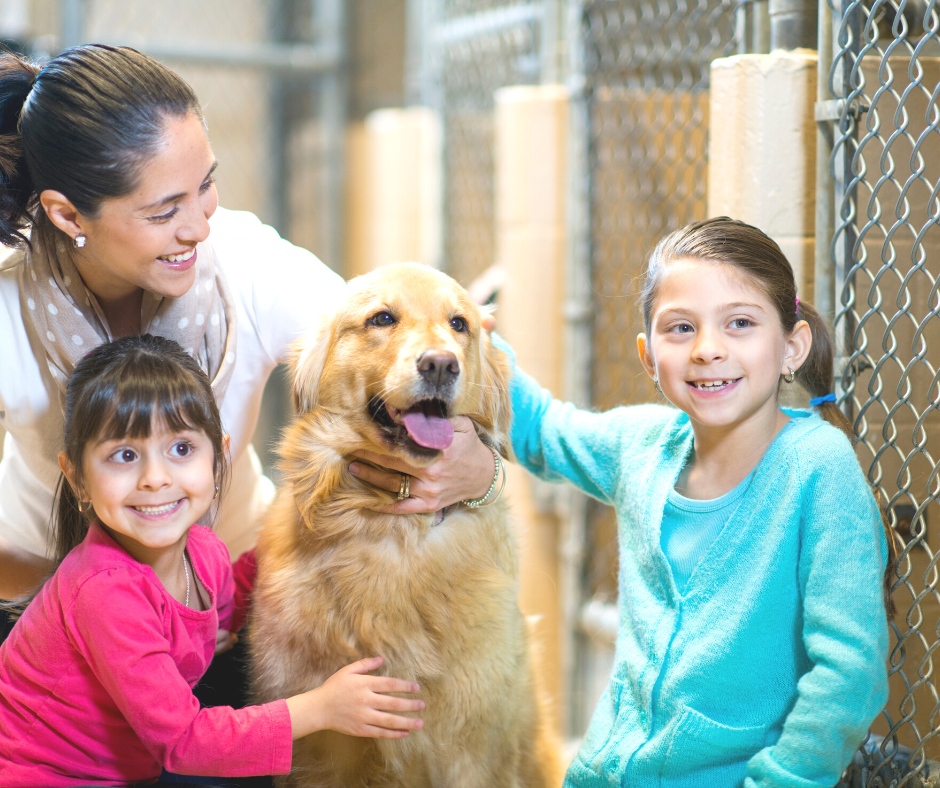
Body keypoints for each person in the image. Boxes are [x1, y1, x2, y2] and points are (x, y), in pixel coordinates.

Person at [0, 43, 497, 609]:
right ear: (67, 215)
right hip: (45, 598)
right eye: (164, 212)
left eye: (205, 187)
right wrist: (64, 605)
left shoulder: (246, 262)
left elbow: (392, 341)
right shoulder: (7, 306)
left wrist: (482, 469)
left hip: (230, 596)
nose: (198, 228)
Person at [502, 217, 891, 787]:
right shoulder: (642, 445)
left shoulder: (816, 467)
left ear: (791, 346)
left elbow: (849, 673)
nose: (709, 350)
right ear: (648, 354)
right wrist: (455, 329)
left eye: (740, 324)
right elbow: (540, 428)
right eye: (680, 328)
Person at [0, 334, 426, 788]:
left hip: (126, 769)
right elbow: (185, 743)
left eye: (181, 449)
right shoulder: (104, 590)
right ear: (78, 478)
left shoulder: (204, 552)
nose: (156, 478)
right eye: (125, 456)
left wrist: (313, 525)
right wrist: (321, 707)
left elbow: (236, 591)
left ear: (218, 457)